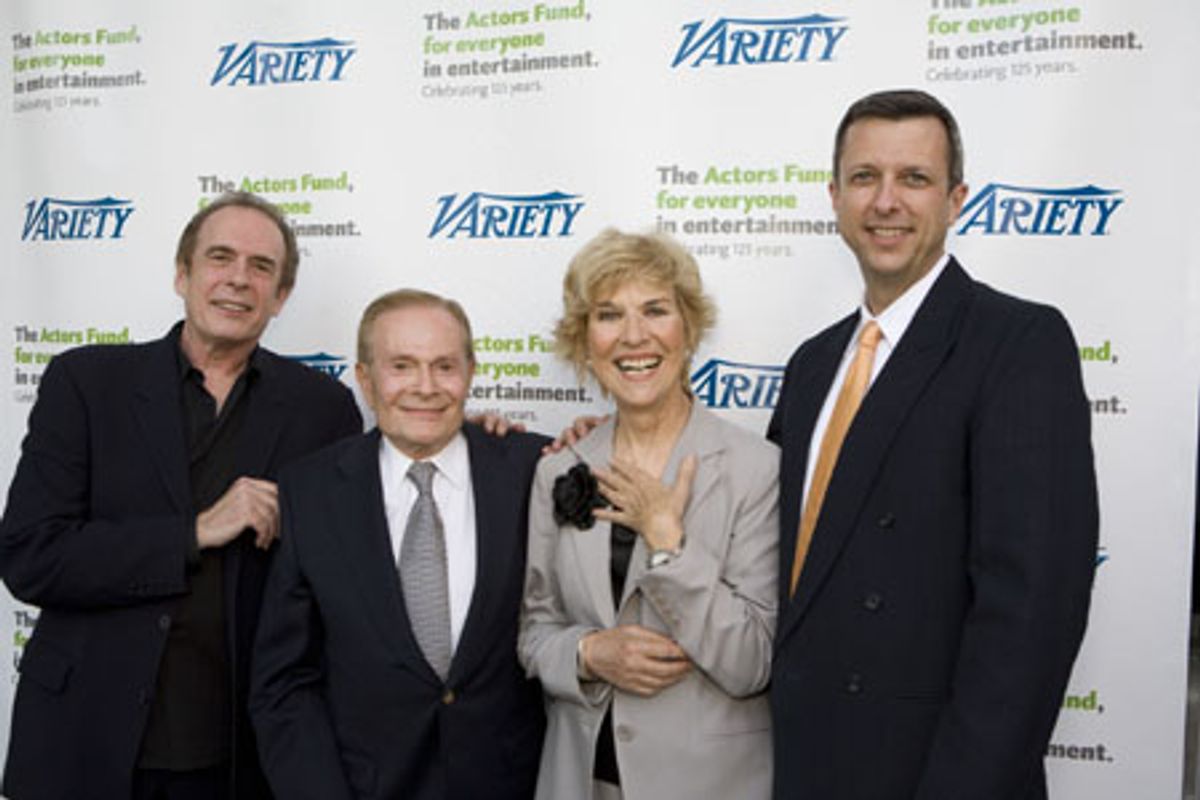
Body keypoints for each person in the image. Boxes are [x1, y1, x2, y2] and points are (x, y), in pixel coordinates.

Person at [768, 89, 1098, 799]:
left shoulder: (1017, 344)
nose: (886, 201)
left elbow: (1031, 617)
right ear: (834, 197)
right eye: (865, 178)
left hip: (931, 776)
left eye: (914, 179)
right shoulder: (811, 365)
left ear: (956, 200)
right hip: (803, 768)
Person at [0, 191, 363, 800]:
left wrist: (483, 441)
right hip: (84, 738)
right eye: (220, 257)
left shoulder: (321, 410)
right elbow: (31, 555)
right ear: (182, 273)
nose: (238, 280)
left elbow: (345, 568)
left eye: (262, 268)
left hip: (237, 754)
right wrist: (195, 531)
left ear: (280, 297)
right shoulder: (87, 383)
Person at [249, 289, 547, 800]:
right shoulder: (311, 491)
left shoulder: (534, 469)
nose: (425, 387)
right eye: (402, 366)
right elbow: (284, 681)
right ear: (365, 380)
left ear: (471, 372)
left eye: (444, 366)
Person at [520, 229, 779, 800]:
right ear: (585, 343)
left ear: (688, 330)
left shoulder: (756, 470)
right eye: (609, 315)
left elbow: (752, 661)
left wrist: (668, 544)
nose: (634, 336)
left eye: (655, 311)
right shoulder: (558, 470)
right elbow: (535, 630)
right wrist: (589, 654)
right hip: (579, 780)